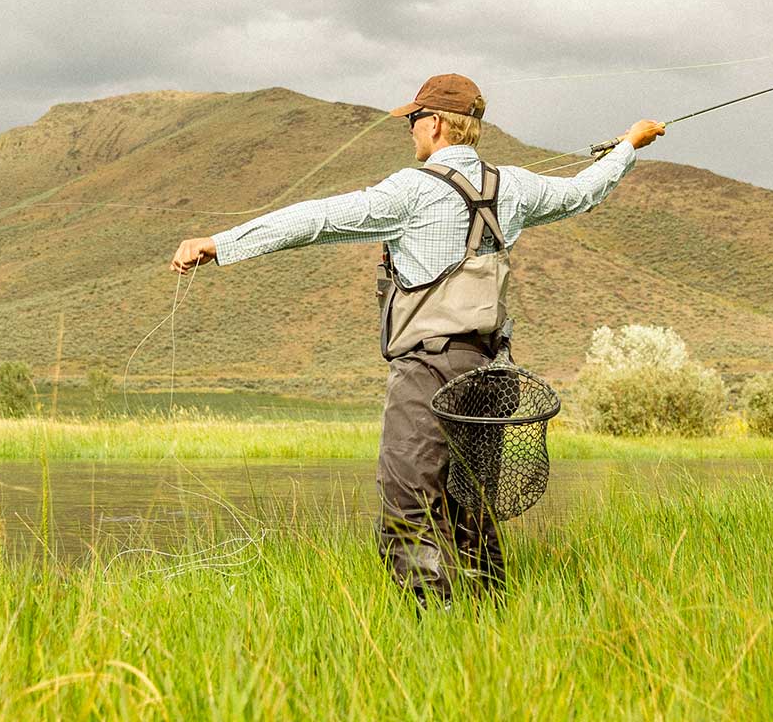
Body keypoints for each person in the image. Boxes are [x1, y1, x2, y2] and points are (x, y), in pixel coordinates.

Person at [169, 73, 663, 601]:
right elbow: (583, 193)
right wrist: (628, 146)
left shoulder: (410, 190)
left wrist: (220, 244)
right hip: (494, 372)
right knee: (473, 504)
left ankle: (435, 623)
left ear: (433, 124)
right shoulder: (514, 185)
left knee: (408, 503)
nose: (409, 130)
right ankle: (487, 620)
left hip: (430, 370)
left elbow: (316, 221)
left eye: (412, 120)